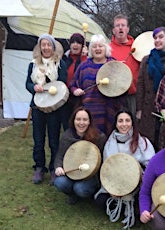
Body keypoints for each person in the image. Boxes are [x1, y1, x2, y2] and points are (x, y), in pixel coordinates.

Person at [94, 110, 155, 228]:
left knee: (143, 201)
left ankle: (131, 206)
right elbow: (107, 169)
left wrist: (136, 183)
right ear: (116, 124)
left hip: (138, 184)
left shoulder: (142, 141)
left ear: (132, 123)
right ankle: (125, 205)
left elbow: (150, 167)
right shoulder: (110, 143)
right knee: (101, 201)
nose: (124, 124)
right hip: (117, 182)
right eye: (120, 121)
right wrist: (113, 189)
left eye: (127, 120)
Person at [26, 33, 67, 185]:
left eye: (48, 44)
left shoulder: (59, 64)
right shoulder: (33, 64)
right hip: (38, 106)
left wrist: (52, 88)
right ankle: (39, 167)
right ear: (40, 47)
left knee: (54, 140)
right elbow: (27, 84)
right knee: (38, 139)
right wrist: (34, 87)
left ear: (53, 47)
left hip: (54, 107)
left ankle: (53, 168)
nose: (46, 47)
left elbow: (62, 84)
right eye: (43, 44)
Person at [69, 34, 122, 134]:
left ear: (105, 48)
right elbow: (72, 85)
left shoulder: (114, 65)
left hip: (109, 108)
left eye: (100, 46)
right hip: (89, 111)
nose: (97, 49)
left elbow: (123, 85)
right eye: (94, 46)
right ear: (90, 50)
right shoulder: (84, 66)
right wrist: (75, 90)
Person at [53, 107, 107, 205]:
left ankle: (89, 192)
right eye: (78, 119)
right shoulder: (67, 136)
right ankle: (71, 194)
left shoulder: (99, 137)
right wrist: (58, 167)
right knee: (60, 182)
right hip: (71, 173)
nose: (81, 123)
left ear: (89, 121)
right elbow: (59, 156)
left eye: (85, 120)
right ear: (73, 120)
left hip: (91, 176)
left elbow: (104, 160)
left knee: (80, 189)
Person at [136, 26, 165, 150]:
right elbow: (140, 84)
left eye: (161, 37)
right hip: (149, 107)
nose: (157, 40)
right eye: (155, 38)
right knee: (148, 141)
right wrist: (139, 109)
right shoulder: (147, 60)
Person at [110, 14, 140, 117]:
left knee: (133, 124)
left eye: (123, 25)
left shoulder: (137, 47)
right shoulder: (108, 49)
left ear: (127, 29)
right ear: (114, 30)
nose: (120, 27)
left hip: (133, 95)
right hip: (114, 95)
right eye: (117, 25)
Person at [61, 33, 88, 130]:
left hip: (79, 97)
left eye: (78, 43)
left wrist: (84, 57)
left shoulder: (86, 59)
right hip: (66, 96)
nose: (75, 45)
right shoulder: (64, 59)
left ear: (82, 46)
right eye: (73, 42)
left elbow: (85, 72)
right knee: (67, 122)